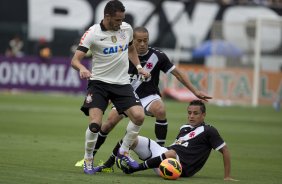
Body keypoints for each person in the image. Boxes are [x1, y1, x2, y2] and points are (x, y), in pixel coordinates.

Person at [75, 27, 212, 169]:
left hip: (148, 96)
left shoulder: (158, 56)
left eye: (145, 40)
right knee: (107, 124)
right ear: (131, 40)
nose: (142, 44)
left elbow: (177, 73)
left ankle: (160, 151)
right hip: (125, 95)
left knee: (160, 109)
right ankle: (89, 158)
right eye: (138, 41)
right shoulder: (121, 54)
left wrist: (195, 91)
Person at [71, 0, 150, 175]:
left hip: (121, 84)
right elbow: (75, 60)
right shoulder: (93, 33)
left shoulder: (127, 29)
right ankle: (88, 159)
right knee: (95, 125)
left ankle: (123, 151)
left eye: (122, 19)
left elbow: (131, 50)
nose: (120, 23)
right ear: (107, 16)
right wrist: (83, 68)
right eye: (117, 20)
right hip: (99, 83)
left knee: (139, 116)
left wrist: (139, 68)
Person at [114, 100, 238, 181]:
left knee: (172, 153)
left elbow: (225, 150)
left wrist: (227, 176)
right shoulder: (184, 127)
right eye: (189, 113)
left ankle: (135, 168)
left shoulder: (209, 131)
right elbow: (177, 146)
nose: (191, 116)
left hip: (178, 166)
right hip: (163, 153)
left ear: (203, 115)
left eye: (195, 113)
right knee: (131, 137)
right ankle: (112, 161)